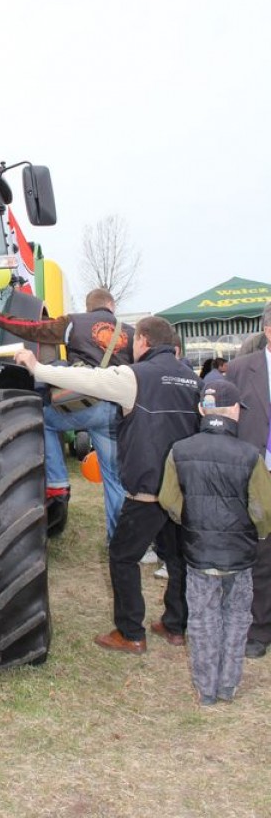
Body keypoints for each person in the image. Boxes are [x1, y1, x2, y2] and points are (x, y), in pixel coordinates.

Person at [15, 316, 202, 654]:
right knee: (177, 558)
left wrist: (37, 369)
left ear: (143, 340)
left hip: (148, 489)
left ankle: (131, 633)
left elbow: (88, 378)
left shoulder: (136, 376)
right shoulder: (192, 379)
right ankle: (176, 626)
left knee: (122, 556)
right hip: (184, 489)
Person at [0, 288, 133, 539]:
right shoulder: (131, 331)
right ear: (111, 305)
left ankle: (57, 484)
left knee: (42, 418)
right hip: (116, 410)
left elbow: (32, 328)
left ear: (89, 307)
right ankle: (118, 541)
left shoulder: (74, 322)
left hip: (83, 406)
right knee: (114, 480)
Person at [158, 379, 271, 704]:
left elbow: (169, 498)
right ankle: (227, 686)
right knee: (237, 617)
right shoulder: (250, 455)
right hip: (240, 555)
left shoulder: (180, 450)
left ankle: (205, 689)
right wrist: (257, 532)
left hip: (198, 553)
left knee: (202, 618)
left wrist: (190, 520)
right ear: (235, 411)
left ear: (200, 409)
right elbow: (262, 508)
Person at [226, 301, 271, 658]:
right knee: (261, 554)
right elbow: (226, 419)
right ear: (268, 330)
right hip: (257, 476)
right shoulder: (241, 370)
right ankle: (259, 630)